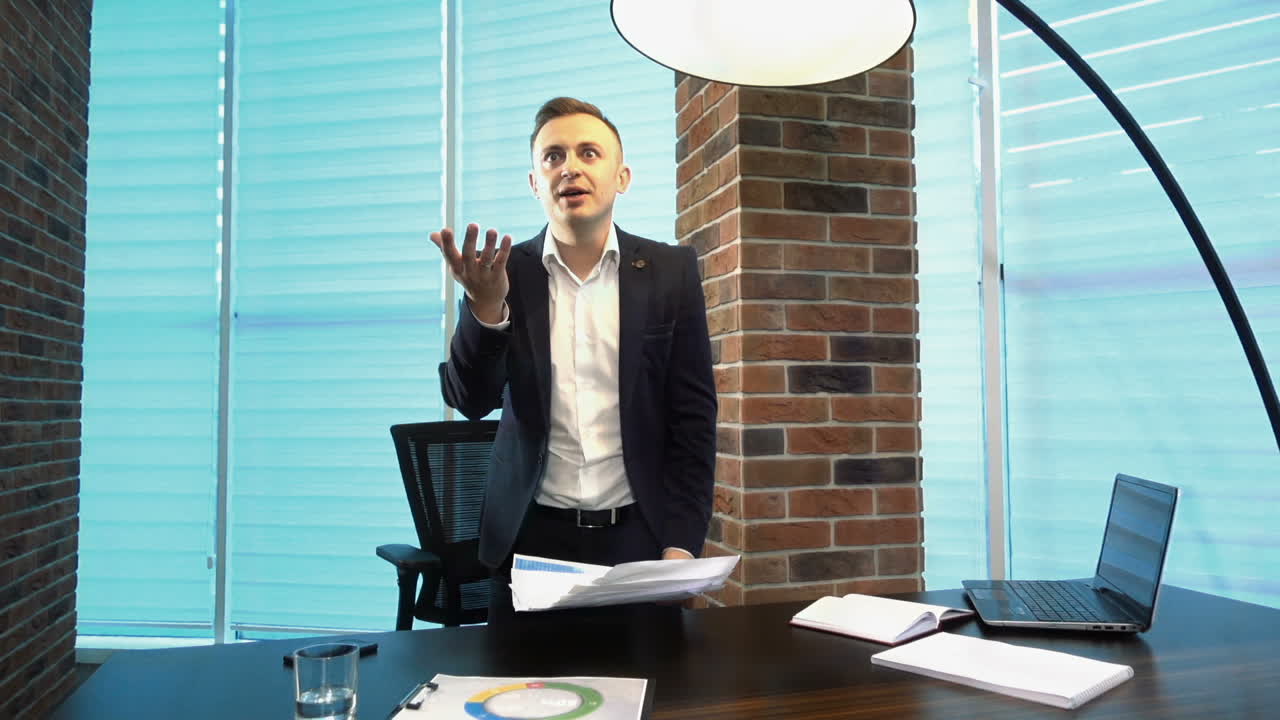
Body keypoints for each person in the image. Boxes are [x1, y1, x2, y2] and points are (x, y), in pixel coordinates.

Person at [429, 97, 717, 620]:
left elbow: (693, 421)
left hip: (640, 542)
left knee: (650, 698)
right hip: (529, 543)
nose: (571, 168)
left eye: (589, 152)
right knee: (517, 700)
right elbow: (470, 400)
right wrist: (487, 306)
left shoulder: (671, 272)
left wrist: (681, 543)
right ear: (536, 182)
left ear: (622, 175)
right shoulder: (499, 271)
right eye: (553, 157)